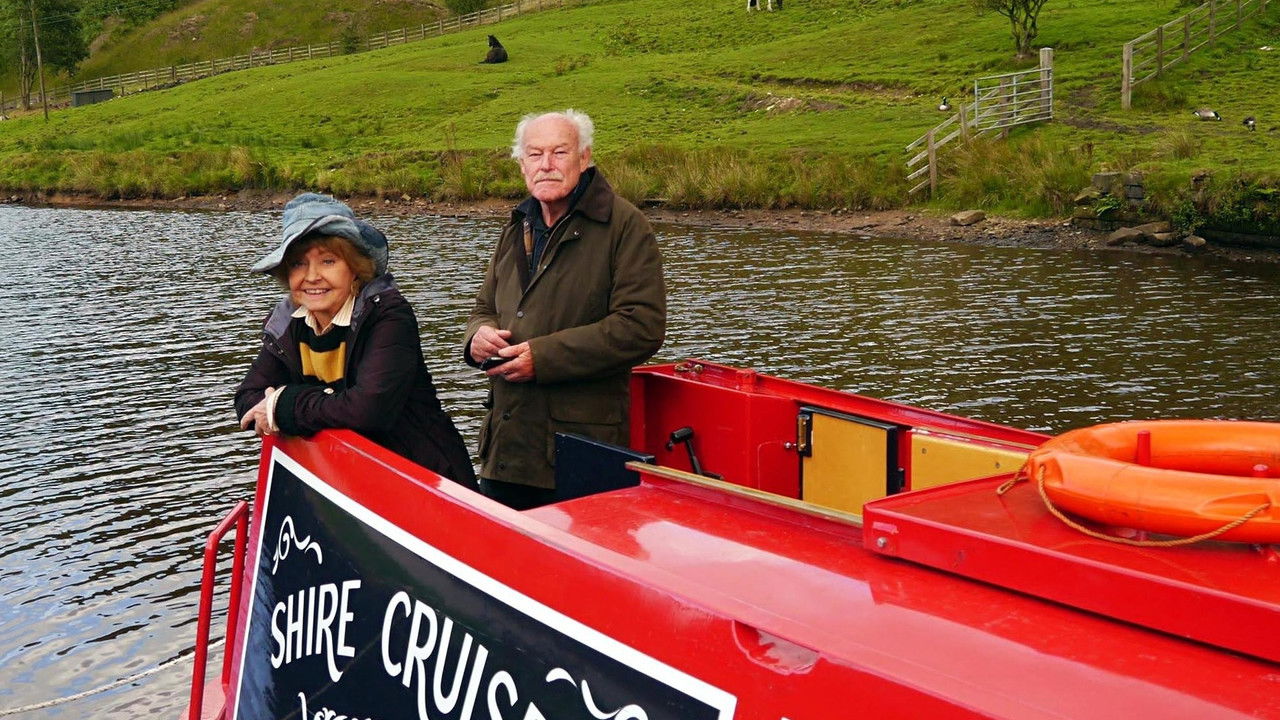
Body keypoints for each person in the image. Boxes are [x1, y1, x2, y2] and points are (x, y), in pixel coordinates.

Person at [463, 109, 666, 509]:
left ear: (584, 158)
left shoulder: (626, 226)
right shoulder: (517, 224)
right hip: (506, 450)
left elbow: (640, 326)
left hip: (578, 453)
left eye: (560, 152)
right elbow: (484, 307)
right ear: (522, 165)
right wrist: (477, 338)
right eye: (535, 154)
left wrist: (543, 357)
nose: (547, 165)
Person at [236, 192, 475, 487]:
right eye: (298, 263)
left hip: (424, 478)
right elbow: (248, 398)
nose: (312, 276)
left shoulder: (387, 314)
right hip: (349, 481)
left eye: (327, 261)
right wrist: (298, 405)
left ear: (355, 269)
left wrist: (283, 405)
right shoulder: (288, 322)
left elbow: (369, 410)